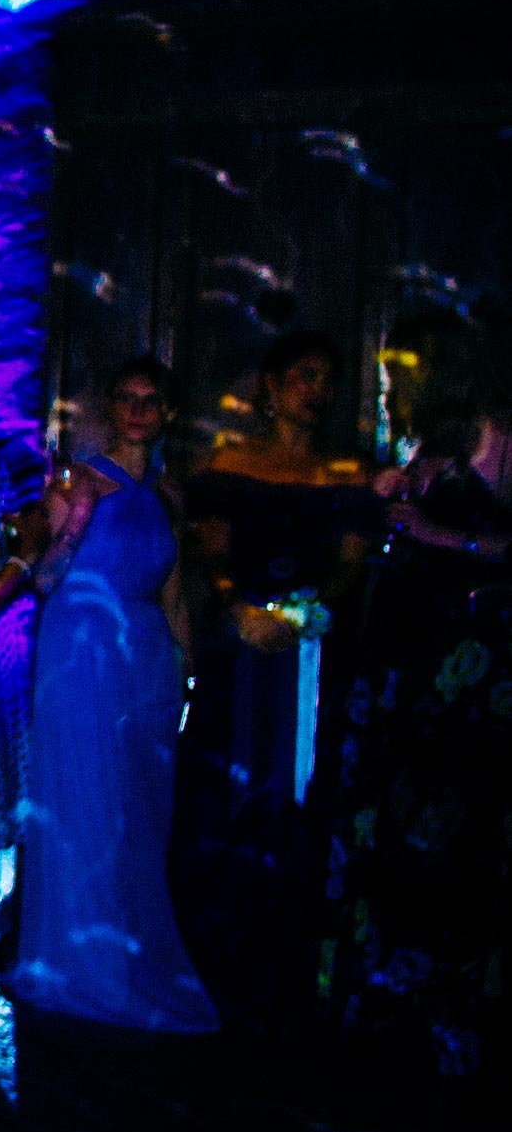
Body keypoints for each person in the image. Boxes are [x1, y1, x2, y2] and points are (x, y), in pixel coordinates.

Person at [0, 360, 218, 1033]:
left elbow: (176, 594)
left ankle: (129, 956)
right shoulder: (76, 478)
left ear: (169, 412)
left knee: (139, 811)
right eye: (126, 397)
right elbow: (45, 579)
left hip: (144, 658)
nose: (139, 410)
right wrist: (78, 514)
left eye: (152, 400)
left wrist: (187, 669)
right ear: (110, 406)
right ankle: (81, 964)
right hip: (81, 652)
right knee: (83, 800)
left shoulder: (170, 494)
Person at [174, 330, 381, 1033]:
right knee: (228, 793)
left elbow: (353, 564)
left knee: (305, 794)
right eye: (303, 375)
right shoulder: (231, 464)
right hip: (242, 648)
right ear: (269, 386)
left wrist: (308, 611)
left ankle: (291, 976)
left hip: (314, 652)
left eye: (326, 377)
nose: (315, 389)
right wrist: (241, 609)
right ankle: (218, 963)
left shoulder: (346, 471)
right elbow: (211, 553)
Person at [329, 331, 512, 1075]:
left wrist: (436, 530)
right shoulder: (428, 444)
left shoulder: (500, 433)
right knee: (395, 829)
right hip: (405, 659)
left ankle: (451, 1016)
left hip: (465, 666)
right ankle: (386, 1005)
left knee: (455, 834)